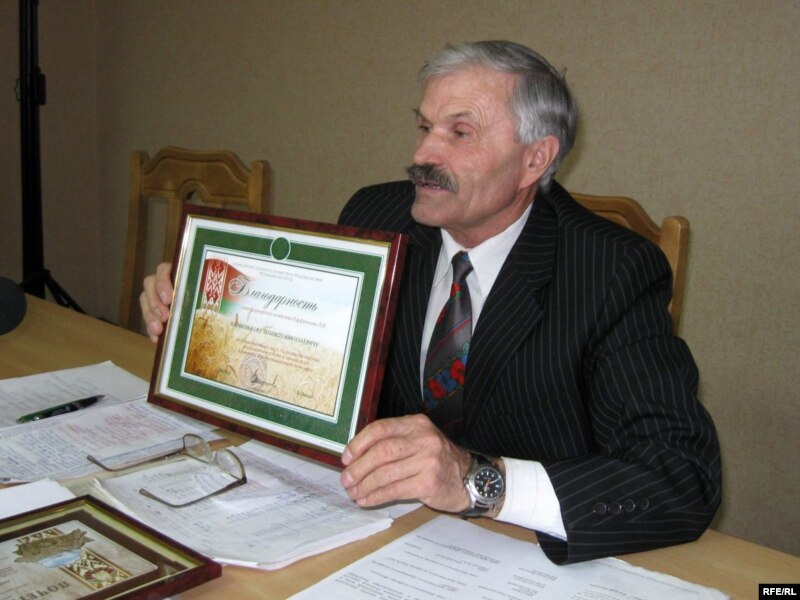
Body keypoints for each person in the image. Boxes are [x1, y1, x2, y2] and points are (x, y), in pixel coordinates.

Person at [141, 40, 721, 565]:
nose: (422, 153)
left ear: (535, 159)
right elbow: (309, 363)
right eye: (424, 126)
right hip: (374, 539)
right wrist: (201, 313)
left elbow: (683, 478)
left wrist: (476, 481)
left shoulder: (612, 271)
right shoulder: (376, 215)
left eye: (459, 133)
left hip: (521, 557)